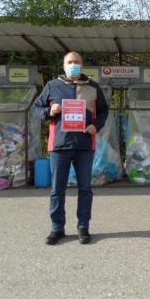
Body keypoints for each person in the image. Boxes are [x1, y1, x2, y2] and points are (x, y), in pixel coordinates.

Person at [33, 52, 109, 245]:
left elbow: (104, 111)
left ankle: (83, 227)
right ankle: (57, 228)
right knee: (57, 189)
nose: (73, 65)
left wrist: (96, 126)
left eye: (76, 62)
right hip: (59, 145)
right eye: (69, 62)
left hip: (85, 145)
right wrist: (49, 111)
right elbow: (36, 108)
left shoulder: (93, 87)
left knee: (85, 188)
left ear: (82, 65)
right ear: (64, 65)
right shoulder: (52, 86)